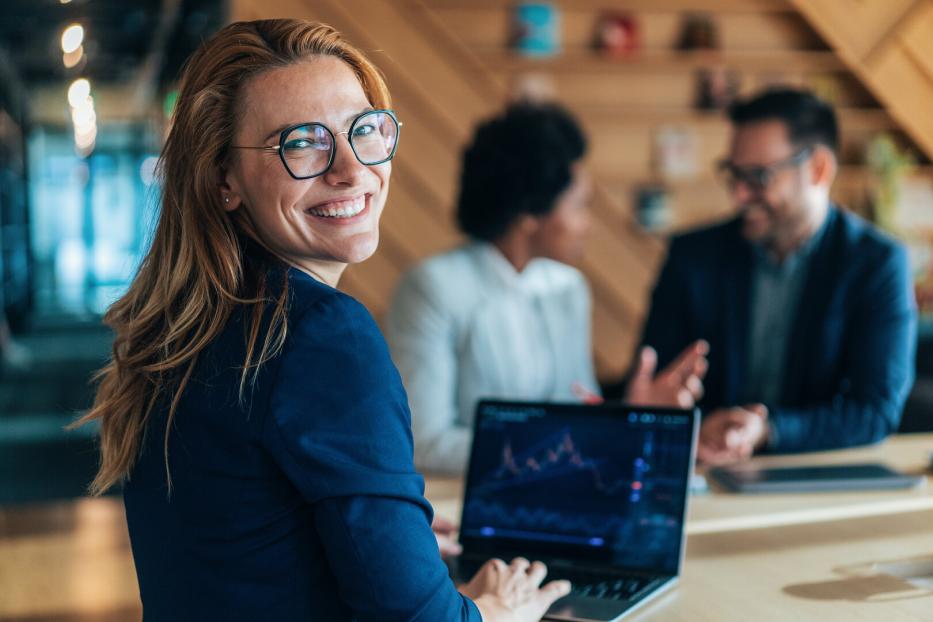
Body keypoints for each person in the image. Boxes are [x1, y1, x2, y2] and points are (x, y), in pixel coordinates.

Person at [75, 19, 573, 622]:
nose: (352, 169)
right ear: (222, 178)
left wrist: (392, 532)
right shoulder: (323, 335)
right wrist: (499, 609)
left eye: (365, 130)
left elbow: (248, 538)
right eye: (303, 141)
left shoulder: (190, 326)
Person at [387, 103, 708, 474]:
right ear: (527, 217)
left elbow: (577, 409)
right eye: (578, 206)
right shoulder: (433, 287)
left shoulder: (569, 288)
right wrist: (564, 445)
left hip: (556, 494)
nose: (587, 224)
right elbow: (425, 443)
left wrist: (629, 418)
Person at [639, 88, 917, 465]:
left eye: (758, 177)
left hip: (814, 478)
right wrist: (672, 417)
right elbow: (651, 385)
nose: (739, 195)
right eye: (733, 174)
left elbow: (874, 412)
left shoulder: (878, 264)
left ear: (819, 169)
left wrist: (767, 429)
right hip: (704, 470)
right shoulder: (692, 257)